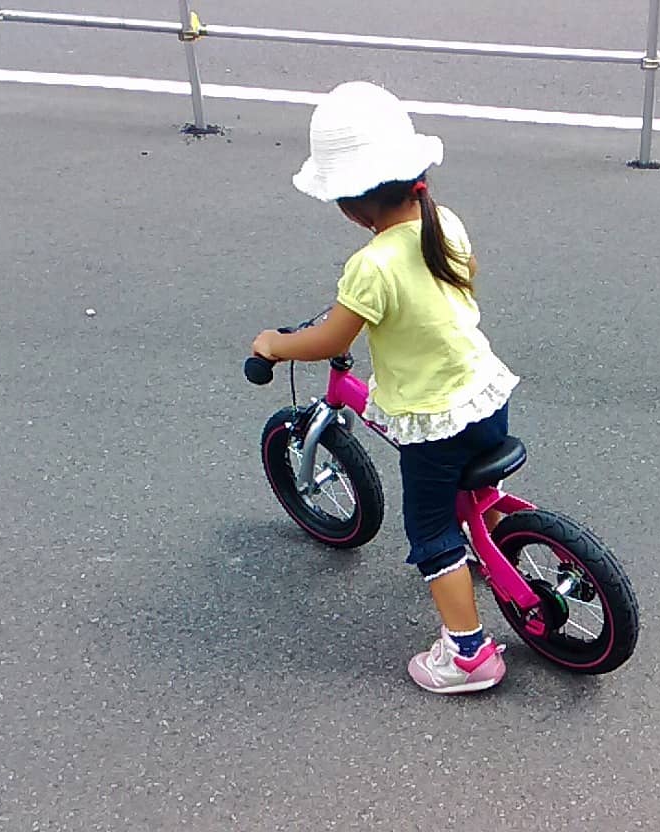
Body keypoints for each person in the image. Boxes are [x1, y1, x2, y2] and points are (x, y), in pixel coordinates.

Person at [251, 81, 519, 695]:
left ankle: (469, 656)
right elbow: (466, 278)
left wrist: (274, 343)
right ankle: (496, 547)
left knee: (430, 534)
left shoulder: (370, 266)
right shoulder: (441, 222)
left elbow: (328, 339)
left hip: (434, 416)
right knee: (480, 490)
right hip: (486, 392)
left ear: (350, 206)